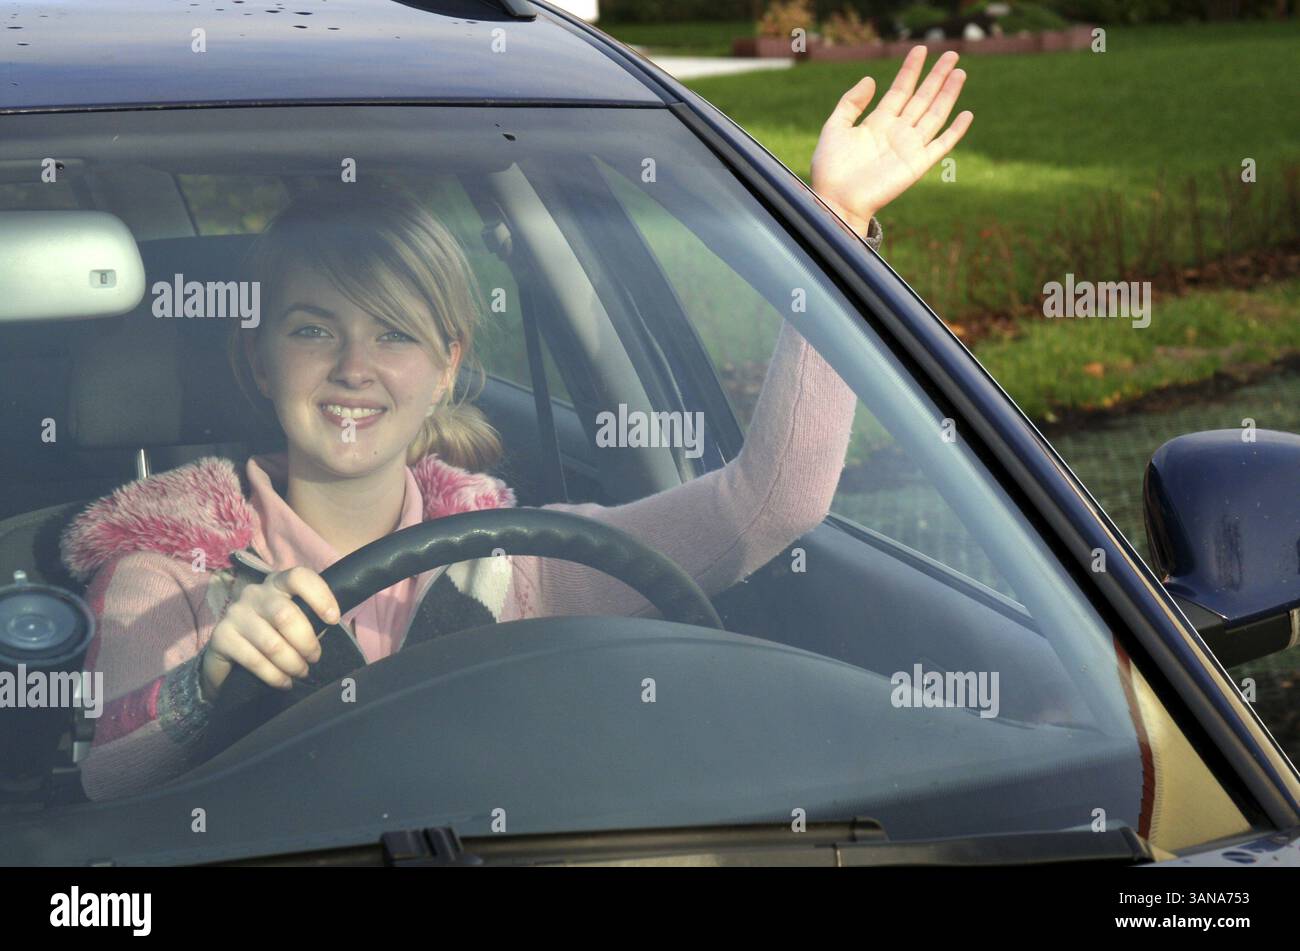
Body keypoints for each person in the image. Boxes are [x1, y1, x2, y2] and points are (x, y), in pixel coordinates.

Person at [61, 48, 973, 800]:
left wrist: (838, 226)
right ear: (258, 360)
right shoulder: (166, 569)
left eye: (394, 334)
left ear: (448, 365)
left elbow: (770, 504)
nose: (353, 368)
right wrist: (209, 677)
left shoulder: (519, 562)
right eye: (312, 330)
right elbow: (107, 783)